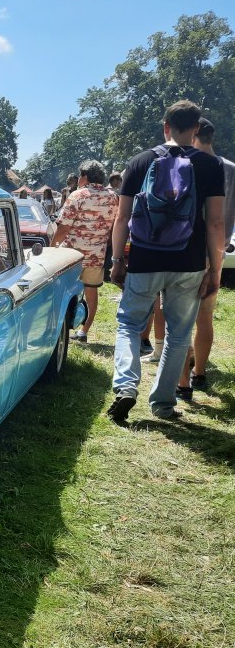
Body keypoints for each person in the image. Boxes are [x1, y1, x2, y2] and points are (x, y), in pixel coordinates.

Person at [107, 100, 226, 423]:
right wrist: (214, 270)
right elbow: (215, 222)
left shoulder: (140, 161)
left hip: (144, 257)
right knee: (178, 333)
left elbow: (122, 218)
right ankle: (162, 403)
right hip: (188, 262)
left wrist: (118, 259)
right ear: (197, 129)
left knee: (129, 325)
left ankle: (126, 387)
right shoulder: (210, 166)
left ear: (165, 126)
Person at [175, 117, 235, 395]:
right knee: (205, 316)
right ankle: (200, 373)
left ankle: (183, 382)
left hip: (189, 249)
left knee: (181, 315)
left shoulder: (191, 163)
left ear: (195, 133)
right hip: (219, 251)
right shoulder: (231, 169)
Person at [52, 160, 117, 342]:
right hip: (97, 255)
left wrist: (51, 248)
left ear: (85, 177)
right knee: (91, 292)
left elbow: (63, 228)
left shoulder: (78, 195)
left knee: (63, 293)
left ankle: (61, 330)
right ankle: (84, 331)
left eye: (80, 175)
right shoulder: (113, 197)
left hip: (71, 256)